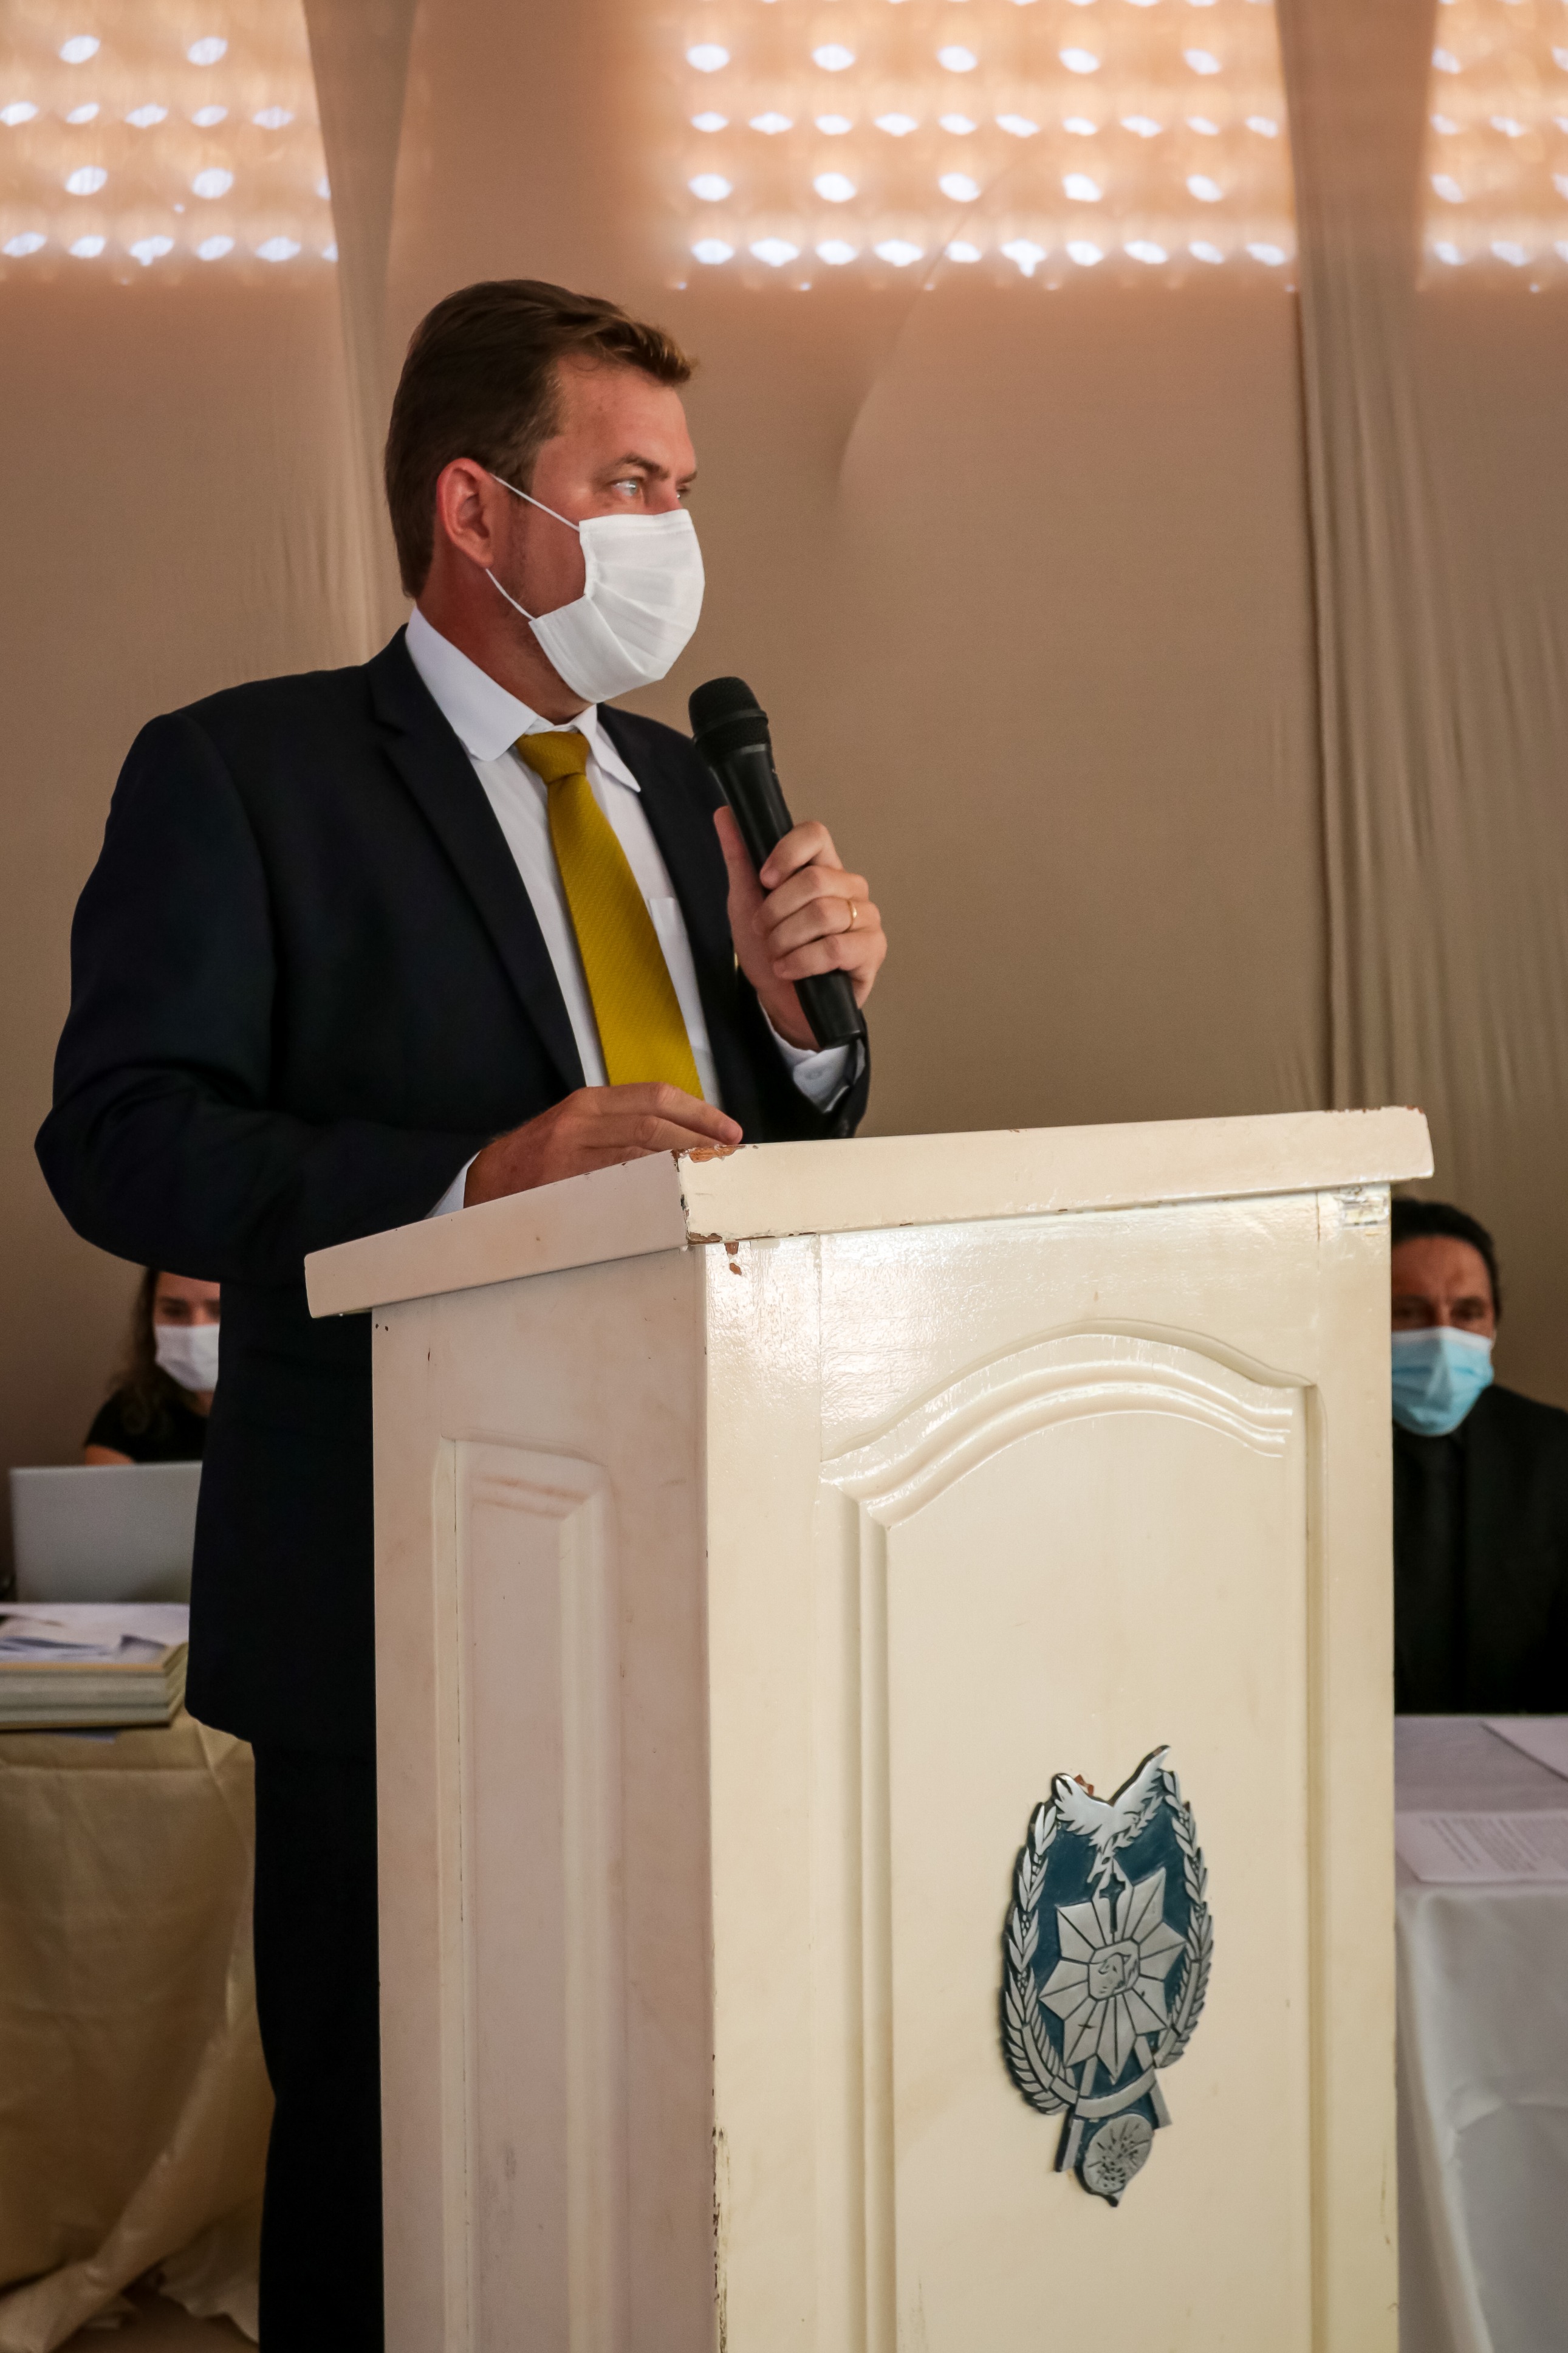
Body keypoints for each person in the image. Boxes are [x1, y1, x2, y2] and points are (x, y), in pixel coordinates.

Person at [35, 279, 888, 2351]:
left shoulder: (685, 785)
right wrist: (468, 1177)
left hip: (712, 1573)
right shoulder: (245, 774)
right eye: (630, 482)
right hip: (398, 1595)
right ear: (475, 507)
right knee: (401, 2142)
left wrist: (808, 1038)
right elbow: (122, 1142)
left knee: (686, 2118)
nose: (675, 530)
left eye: (684, 486)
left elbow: (741, 1153)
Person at [1391, 1197, 1568, 1714]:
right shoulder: (1294, 1450)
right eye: (1408, 1312)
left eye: (1467, 1313)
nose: (1442, 1335)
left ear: (1493, 1325)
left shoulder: (1552, 1452)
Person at [83, 1268, 221, 1465]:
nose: (196, 1329)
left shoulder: (271, 1418)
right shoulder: (127, 1417)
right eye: (174, 1311)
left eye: (221, 1312)